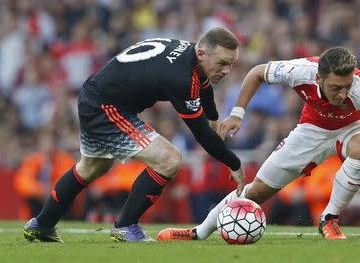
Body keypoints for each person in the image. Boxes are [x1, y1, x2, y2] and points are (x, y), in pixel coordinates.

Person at [157, 46, 360, 240]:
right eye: (335, 87)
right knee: (255, 192)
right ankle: (198, 232)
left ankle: (329, 218)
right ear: (318, 78)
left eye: (346, 86)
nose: (343, 94)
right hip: (312, 129)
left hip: (355, 127)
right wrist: (238, 113)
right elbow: (256, 72)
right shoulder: (299, 71)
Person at [23, 27, 245, 243]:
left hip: (95, 96)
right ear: (202, 53)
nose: (226, 70)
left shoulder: (190, 52)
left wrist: (214, 117)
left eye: (230, 64)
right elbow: (202, 136)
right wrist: (234, 163)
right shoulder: (181, 77)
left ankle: (42, 225)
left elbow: (203, 85)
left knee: (92, 167)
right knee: (169, 159)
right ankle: (126, 226)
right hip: (106, 107)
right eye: (223, 63)